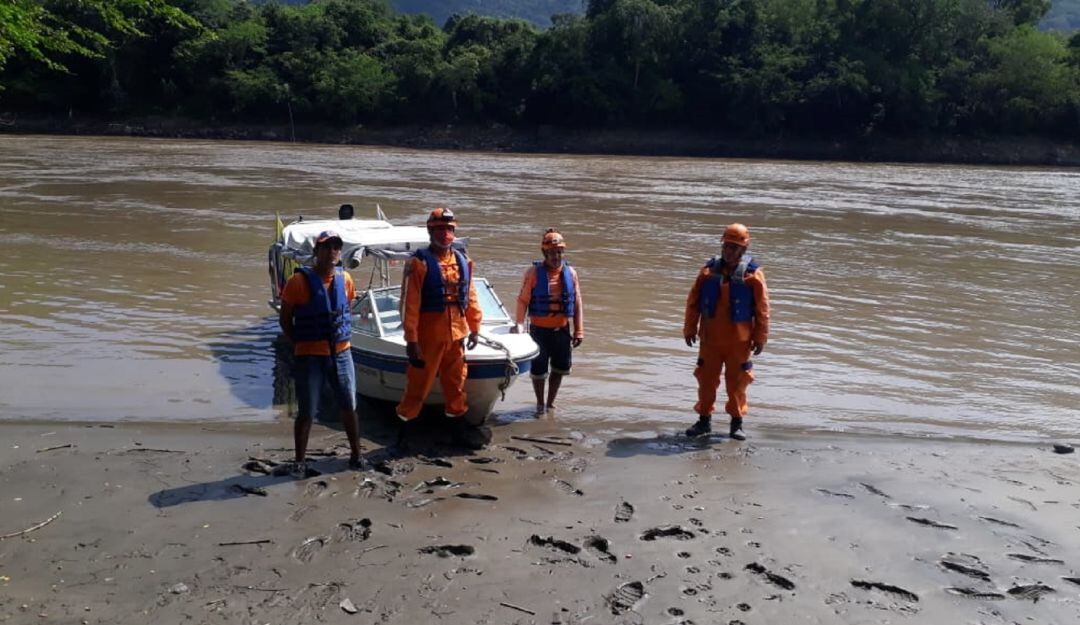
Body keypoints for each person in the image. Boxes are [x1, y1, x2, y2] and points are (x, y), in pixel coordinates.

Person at [279, 230, 365, 475]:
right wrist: (298, 343)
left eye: (336, 247)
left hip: (341, 353)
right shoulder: (298, 283)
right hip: (310, 355)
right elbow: (285, 319)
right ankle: (299, 460)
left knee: (349, 404)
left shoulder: (345, 279)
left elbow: (345, 309)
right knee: (306, 410)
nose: (332, 252)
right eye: (326, 247)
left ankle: (357, 455)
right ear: (316, 252)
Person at [396, 208, 484, 448]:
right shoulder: (419, 263)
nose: (445, 233)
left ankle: (458, 433)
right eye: (440, 229)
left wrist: (475, 327)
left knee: (456, 386)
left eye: (449, 229)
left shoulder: (463, 261)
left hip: (456, 336)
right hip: (427, 339)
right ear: (430, 231)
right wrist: (411, 340)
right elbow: (410, 305)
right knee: (417, 387)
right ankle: (405, 436)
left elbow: (471, 297)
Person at [683, 223, 770, 441]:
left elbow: (762, 309)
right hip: (710, 340)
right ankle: (704, 421)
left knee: (737, 383)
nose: (729, 251)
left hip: (739, 343)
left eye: (734, 247)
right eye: (727, 247)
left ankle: (736, 423)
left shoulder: (753, 276)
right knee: (706, 381)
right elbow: (693, 302)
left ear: (743, 250)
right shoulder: (708, 271)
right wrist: (689, 327)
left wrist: (760, 337)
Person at [511, 229, 584, 416]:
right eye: (552, 253)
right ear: (545, 253)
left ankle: (550, 403)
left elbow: (577, 303)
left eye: (559, 252)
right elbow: (522, 301)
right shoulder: (533, 273)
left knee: (559, 369)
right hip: (539, 331)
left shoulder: (571, 273)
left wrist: (579, 331)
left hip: (561, 331)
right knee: (538, 371)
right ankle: (539, 403)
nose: (556, 256)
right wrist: (519, 324)